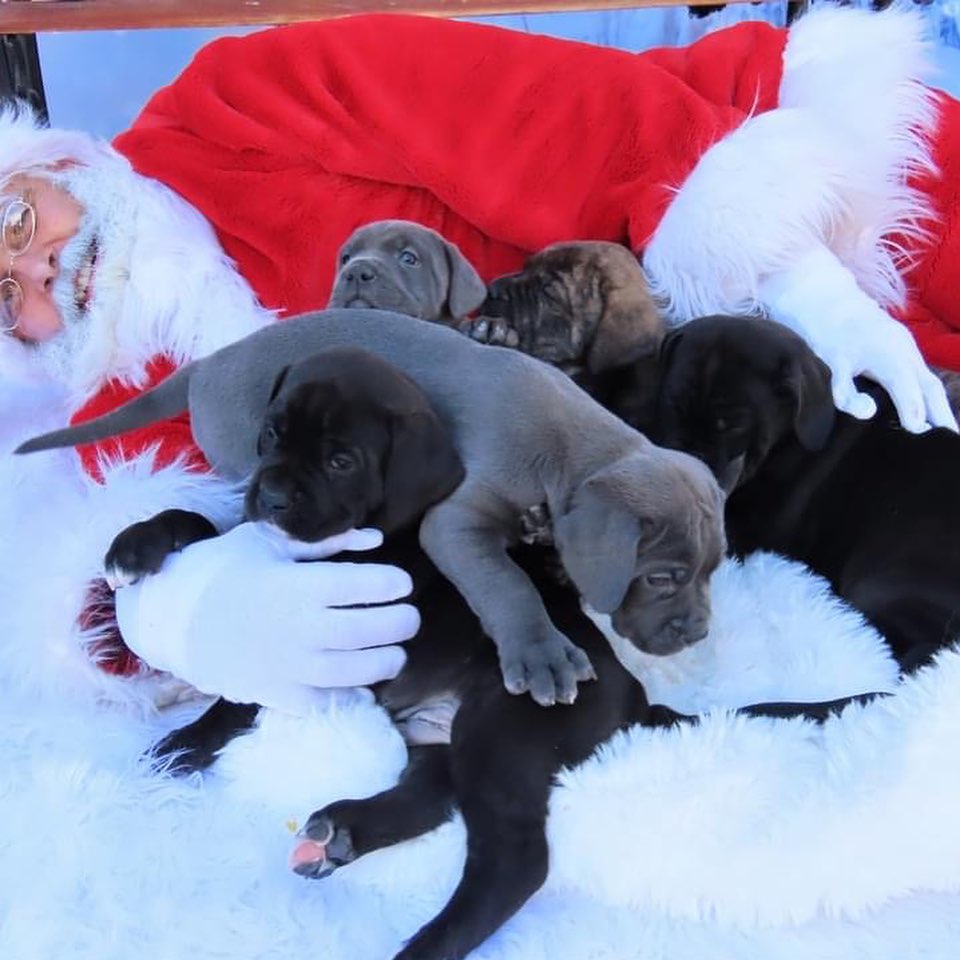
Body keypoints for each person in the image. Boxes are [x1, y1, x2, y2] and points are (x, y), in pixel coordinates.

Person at [1, 3, 958, 714]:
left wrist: (805, 280)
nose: (42, 267)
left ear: (51, 163)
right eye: (9, 298)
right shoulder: (124, 407)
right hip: (734, 427)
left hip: (798, 174)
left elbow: (559, 114)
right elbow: (115, 581)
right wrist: (189, 616)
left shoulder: (232, 101)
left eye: (15, 222)